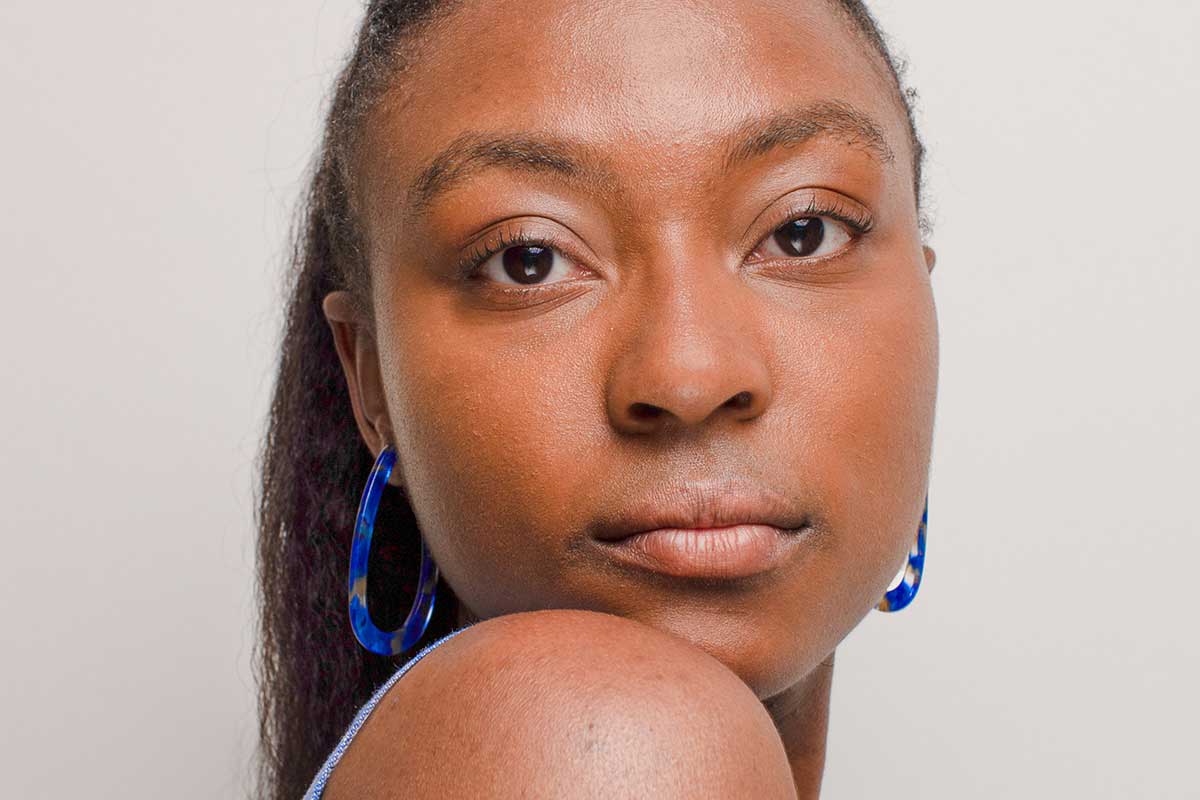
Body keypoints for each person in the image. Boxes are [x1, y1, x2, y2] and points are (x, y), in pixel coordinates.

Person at [256, 0, 937, 796]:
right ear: (368, 381)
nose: (690, 378)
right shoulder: (602, 742)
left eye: (804, 232)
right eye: (529, 258)